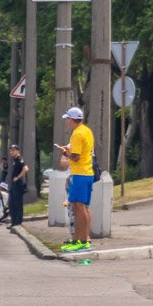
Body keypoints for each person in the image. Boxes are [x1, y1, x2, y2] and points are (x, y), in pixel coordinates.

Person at [57, 106, 94, 252]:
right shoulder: (86, 130)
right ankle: (78, 239)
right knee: (80, 207)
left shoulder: (77, 134)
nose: (67, 121)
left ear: (72, 119)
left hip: (80, 173)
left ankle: (83, 241)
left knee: (79, 208)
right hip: (87, 173)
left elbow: (76, 157)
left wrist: (65, 152)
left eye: (67, 119)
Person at [6, 144, 29, 228]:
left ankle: (18, 222)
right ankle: (13, 221)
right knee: (12, 204)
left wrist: (18, 177)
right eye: (11, 150)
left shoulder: (20, 159)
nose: (11, 152)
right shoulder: (14, 160)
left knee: (17, 203)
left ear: (17, 151)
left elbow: (26, 169)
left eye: (13, 150)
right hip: (13, 184)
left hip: (18, 184)